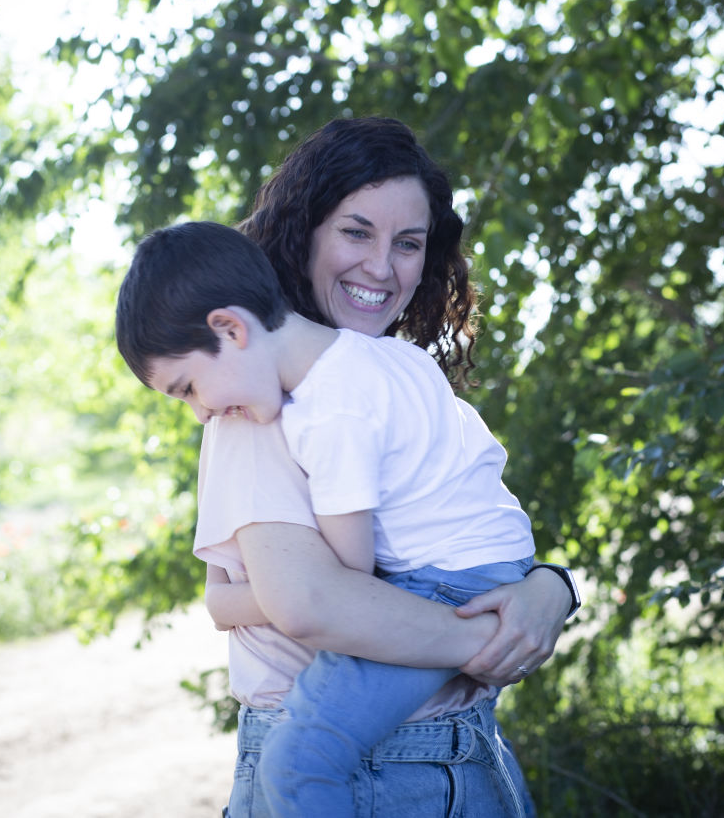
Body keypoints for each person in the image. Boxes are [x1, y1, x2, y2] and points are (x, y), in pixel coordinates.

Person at [124, 117, 580, 816]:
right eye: (356, 232)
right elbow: (315, 598)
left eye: (408, 244)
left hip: (466, 758)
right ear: (306, 229)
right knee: (298, 766)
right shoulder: (255, 404)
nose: (381, 266)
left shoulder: (375, 377)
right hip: (367, 779)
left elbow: (467, 525)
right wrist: (486, 635)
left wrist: (552, 587)